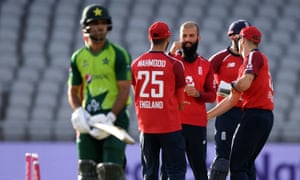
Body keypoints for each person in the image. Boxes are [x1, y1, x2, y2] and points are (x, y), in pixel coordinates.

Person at [67, 4, 131, 180]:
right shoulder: (78, 57)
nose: (99, 27)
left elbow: (124, 89)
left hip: (114, 119)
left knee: (111, 171)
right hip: (89, 119)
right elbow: (73, 90)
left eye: (103, 23)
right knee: (86, 171)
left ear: (108, 26)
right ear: (86, 27)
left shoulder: (118, 54)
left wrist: (110, 117)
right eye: (94, 23)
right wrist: (79, 111)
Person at [207, 26, 274, 180]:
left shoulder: (253, 56)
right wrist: (206, 116)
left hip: (253, 115)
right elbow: (231, 100)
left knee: (236, 167)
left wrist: (227, 86)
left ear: (242, 40)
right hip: (262, 116)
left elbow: (244, 83)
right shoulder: (253, 60)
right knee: (245, 164)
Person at [131, 21, 187, 180]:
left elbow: (137, 92)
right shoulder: (175, 65)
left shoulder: (136, 64)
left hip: (146, 126)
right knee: (175, 171)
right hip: (170, 125)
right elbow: (181, 103)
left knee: (149, 173)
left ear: (150, 38)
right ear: (168, 39)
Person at [165, 21, 216, 180]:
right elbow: (161, 81)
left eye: (191, 36)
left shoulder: (206, 65)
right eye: (184, 36)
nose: (188, 39)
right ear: (179, 38)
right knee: (168, 170)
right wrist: (170, 53)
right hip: (174, 124)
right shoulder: (172, 62)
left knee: (200, 171)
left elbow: (212, 95)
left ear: (198, 38)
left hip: (196, 125)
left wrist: (198, 94)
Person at [208, 20, 251, 180]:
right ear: (232, 37)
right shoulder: (220, 58)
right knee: (222, 162)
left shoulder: (253, 59)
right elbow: (204, 82)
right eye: (241, 37)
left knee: (246, 163)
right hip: (227, 113)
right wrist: (229, 91)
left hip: (247, 113)